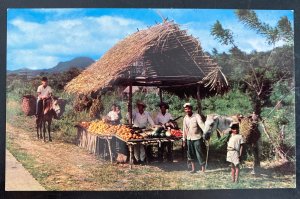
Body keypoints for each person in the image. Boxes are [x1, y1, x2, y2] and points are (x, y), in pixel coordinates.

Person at [182, 103, 206, 173]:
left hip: (197, 137)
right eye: (186, 109)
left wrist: (206, 133)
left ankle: (203, 169)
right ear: (185, 110)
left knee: (199, 153)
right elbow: (184, 129)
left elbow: (202, 125)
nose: (187, 110)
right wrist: (184, 139)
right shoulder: (185, 118)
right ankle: (193, 169)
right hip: (189, 138)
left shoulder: (196, 116)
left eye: (189, 108)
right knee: (190, 154)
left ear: (191, 109)